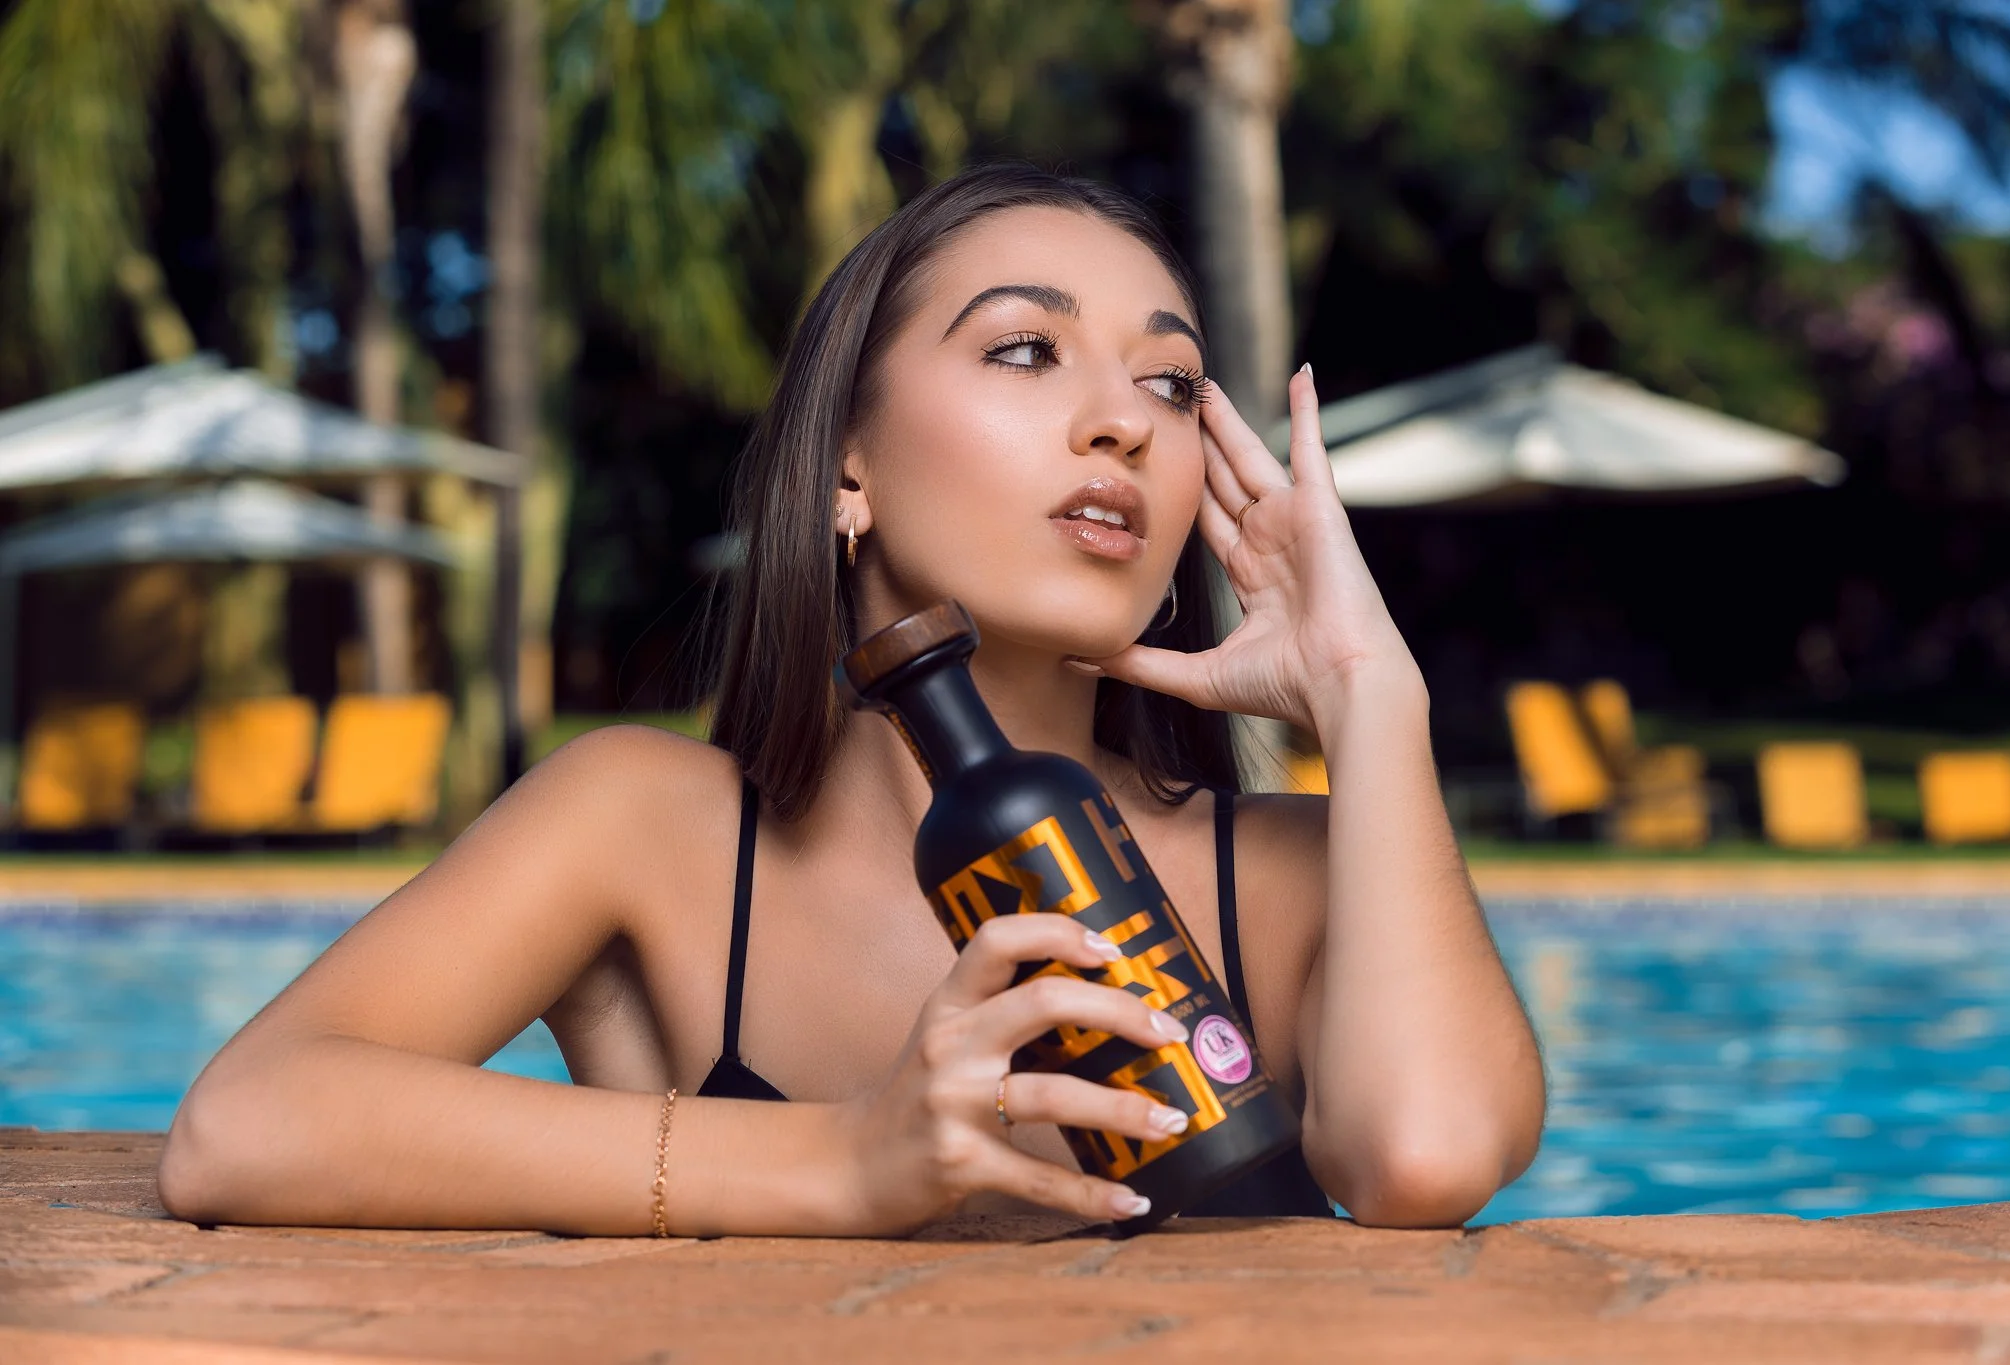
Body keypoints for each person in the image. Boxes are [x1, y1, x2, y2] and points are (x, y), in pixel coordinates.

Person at [157, 164, 1544, 1238]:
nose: (1125, 418)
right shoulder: (649, 829)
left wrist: (1372, 694)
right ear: (848, 469)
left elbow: (1425, 1161)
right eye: (1024, 351)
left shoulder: (1289, 876)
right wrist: (845, 1160)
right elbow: (244, 1124)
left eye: (1172, 383)